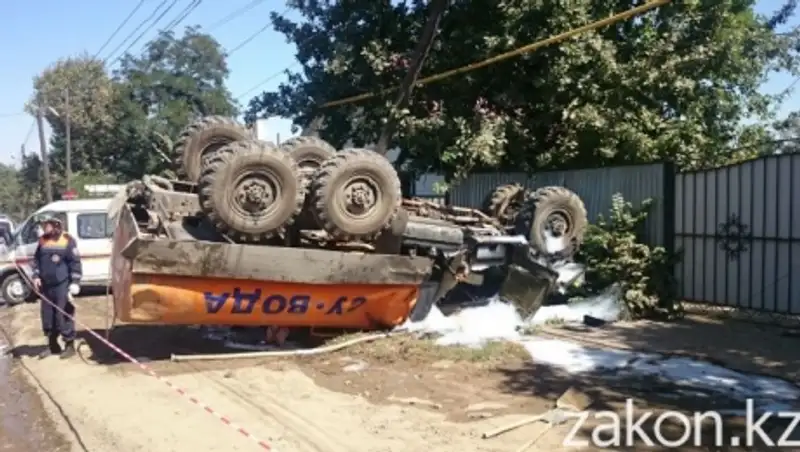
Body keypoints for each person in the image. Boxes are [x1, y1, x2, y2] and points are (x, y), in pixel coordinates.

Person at [30, 216, 82, 359]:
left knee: (63, 314)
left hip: (62, 285)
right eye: (44, 224)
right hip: (46, 286)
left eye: (47, 224)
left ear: (56, 225)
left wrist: (75, 283)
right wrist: (36, 276)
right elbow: (36, 260)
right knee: (47, 315)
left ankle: (69, 345)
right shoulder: (42, 241)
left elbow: (75, 263)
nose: (45, 227)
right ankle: (52, 345)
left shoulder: (68, 241)